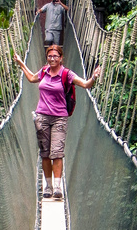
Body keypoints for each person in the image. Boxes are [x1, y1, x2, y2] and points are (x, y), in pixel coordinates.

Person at [13, 44, 101, 200]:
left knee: (57, 152)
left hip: (60, 117)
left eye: (55, 56)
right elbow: (32, 78)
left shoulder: (67, 74)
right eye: (50, 56)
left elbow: (86, 84)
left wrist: (93, 77)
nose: (52, 58)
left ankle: (58, 187)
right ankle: (48, 186)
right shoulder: (44, 71)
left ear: (61, 58)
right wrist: (20, 63)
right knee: (45, 153)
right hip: (41, 117)